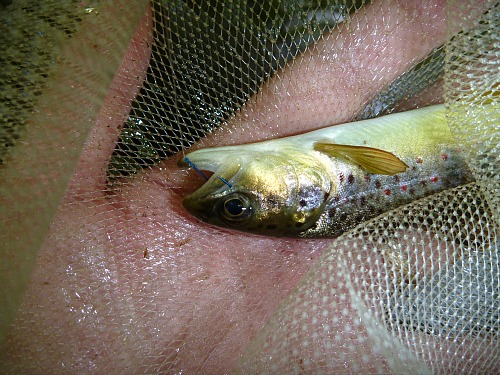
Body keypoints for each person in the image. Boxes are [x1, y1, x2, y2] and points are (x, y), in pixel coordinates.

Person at [1, 1, 496, 373]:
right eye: (237, 205)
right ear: (310, 194)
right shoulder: (332, 171)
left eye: (237, 206)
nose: (222, 193)